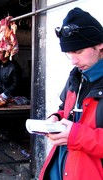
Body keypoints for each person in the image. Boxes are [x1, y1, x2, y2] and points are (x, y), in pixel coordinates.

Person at [39, 7, 103, 180]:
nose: (73, 61)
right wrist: (56, 119)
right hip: (62, 168)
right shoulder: (76, 76)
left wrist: (75, 135)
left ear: (100, 44)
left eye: (79, 51)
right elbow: (65, 110)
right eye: (69, 53)